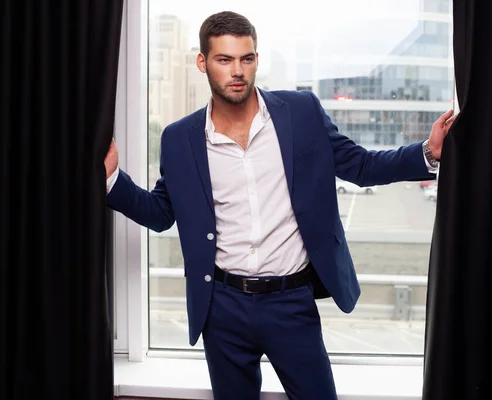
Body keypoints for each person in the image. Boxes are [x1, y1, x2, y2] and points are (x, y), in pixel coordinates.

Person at [105, 10, 455, 400]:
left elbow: (360, 165)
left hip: (291, 302)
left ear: (256, 59)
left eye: (246, 58)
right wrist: (111, 180)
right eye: (224, 60)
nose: (237, 71)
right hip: (222, 308)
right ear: (202, 62)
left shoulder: (301, 112)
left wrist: (428, 152)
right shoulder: (178, 138)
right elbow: (160, 212)